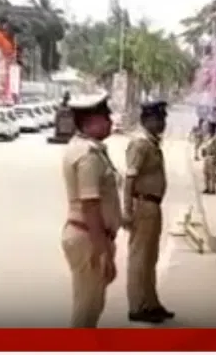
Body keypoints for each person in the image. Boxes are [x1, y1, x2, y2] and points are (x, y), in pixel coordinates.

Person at [60, 96, 121, 328]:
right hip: (89, 237)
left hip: (88, 235)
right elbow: (90, 205)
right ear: (90, 122)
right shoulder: (87, 155)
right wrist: (102, 251)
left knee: (90, 305)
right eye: (106, 117)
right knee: (87, 309)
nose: (110, 121)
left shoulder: (88, 148)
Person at [123, 100, 173, 323]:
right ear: (147, 121)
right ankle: (137, 306)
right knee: (139, 257)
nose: (162, 124)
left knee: (150, 257)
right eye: (158, 119)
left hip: (153, 205)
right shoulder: (140, 144)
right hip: (142, 205)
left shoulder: (152, 144)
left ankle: (151, 303)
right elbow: (129, 179)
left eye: (163, 119)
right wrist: (127, 210)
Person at [198, 122, 216, 194]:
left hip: (213, 156)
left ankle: (213, 189)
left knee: (212, 174)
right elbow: (205, 145)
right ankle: (207, 188)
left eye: (210, 128)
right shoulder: (208, 136)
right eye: (209, 128)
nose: (209, 129)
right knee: (205, 172)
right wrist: (203, 151)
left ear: (214, 128)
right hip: (207, 156)